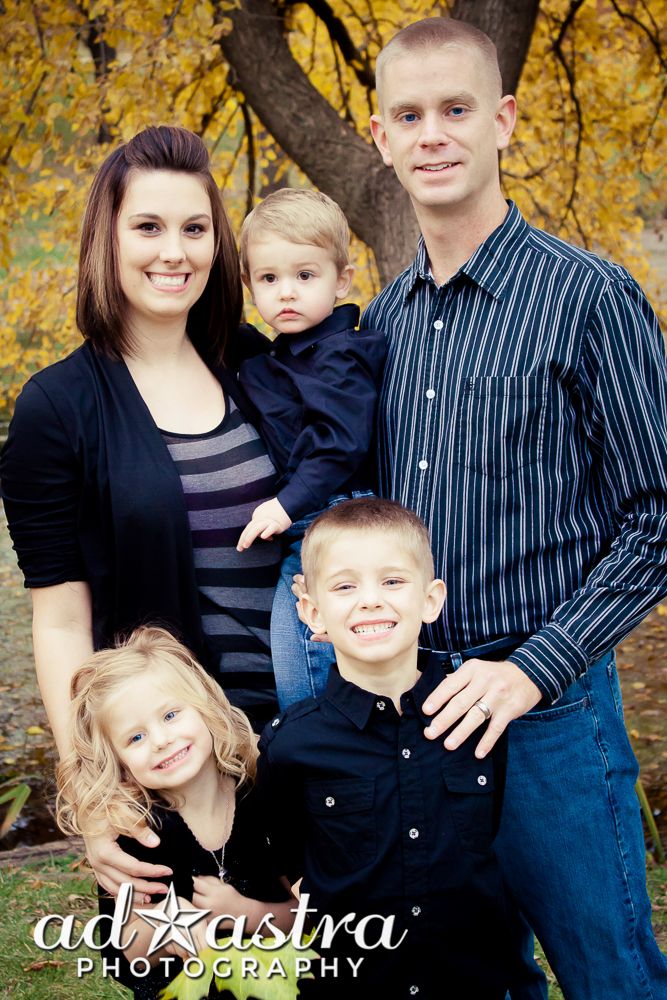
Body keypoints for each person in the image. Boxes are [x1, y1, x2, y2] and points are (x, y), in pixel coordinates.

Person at [357, 16, 667, 1000]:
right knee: (472, 982)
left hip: (549, 717)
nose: (433, 134)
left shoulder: (589, 298)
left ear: (504, 121)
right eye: (410, 114)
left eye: (455, 109)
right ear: (380, 137)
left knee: (609, 975)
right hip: (416, 715)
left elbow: (656, 518)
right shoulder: (382, 321)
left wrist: (532, 670)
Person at [0, 125, 283, 898]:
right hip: (172, 769)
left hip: (303, 752)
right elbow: (60, 624)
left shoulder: (259, 364)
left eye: (195, 229)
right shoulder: (57, 408)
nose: (175, 251)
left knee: (336, 963)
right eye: (148, 227)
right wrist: (91, 796)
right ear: (107, 237)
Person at [257, 497, 512, 999]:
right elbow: (284, 856)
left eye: (392, 581)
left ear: (431, 599)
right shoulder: (292, 744)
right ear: (311, 612)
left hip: (467, 982)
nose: (370, 600)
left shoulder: (474, 720)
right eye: (345, 586)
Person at [56, 626, 296, 1000]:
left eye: (170, 715)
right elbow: (126, 952)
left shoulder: (262, 797)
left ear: (205, 707)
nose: (161, 740)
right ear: (118, 762)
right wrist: (167, 924)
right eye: (135, 738)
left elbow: (308, 913)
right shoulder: (135, 832)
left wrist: (244, 913)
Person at [235, 188, 386, 707]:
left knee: (308, 661)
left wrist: (284, 504)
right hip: (305, 524)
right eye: (269, 279)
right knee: (295, 657)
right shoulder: (278, 357)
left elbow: (339, 443)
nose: (287, 293)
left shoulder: (339, 354)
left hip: (330, 521)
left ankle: (323, 760)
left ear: (341, 279)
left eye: (305, 276)